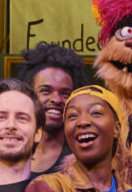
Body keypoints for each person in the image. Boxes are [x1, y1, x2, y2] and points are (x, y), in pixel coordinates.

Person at [17, 44, 90, 175]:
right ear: (29, 95)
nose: (56, 99)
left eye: (65, 94)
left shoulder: (83, 155)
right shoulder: (11, 147)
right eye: (46, 91)